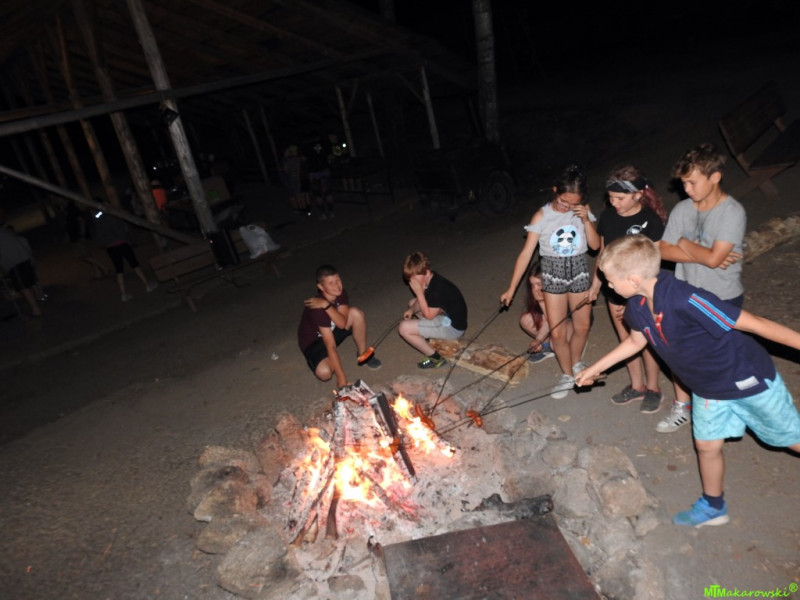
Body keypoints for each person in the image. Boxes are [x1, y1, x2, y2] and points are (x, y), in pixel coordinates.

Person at [575, 235, 800, 528]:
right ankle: (713, 506)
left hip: (747, 380)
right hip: (706, 388)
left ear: (633, 279)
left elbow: (756, 324)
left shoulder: (688, 299)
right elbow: (635, 342)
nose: (608, 285)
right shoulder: (637, 306)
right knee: (705, 446)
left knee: (791, 439)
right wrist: (594, 368)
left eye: (610, 279)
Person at [656, 143, 745, 433]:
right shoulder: (682, 209)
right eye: (683, 183)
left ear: (715, 177)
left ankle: (726, 409)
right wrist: (702, 254)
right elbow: (663, 250)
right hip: (685, 293)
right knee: (678, 353)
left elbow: (716, 259)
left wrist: (684, 243)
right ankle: (682, 406)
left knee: (720, 357)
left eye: (692, 182)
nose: (686, 189)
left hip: (722, 296)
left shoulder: (731, 212)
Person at [500, 164, 599, 398]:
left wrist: (587, 220)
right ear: (555, 190)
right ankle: (566, 375)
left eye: (573, 203)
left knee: (582, 326)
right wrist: (511, 288)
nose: (567, 207)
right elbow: (526, 253)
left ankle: (576, 363)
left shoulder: (582, 211)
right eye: (564, 201)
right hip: (552, 272)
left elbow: (595, 246)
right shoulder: (542, 216)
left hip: (578, 268)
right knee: (556, 333)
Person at [588, 166, 667, 413]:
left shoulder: (651, 221)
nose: (614, 203)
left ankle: (653, 388)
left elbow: (654, 262)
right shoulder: (608, 217)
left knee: (646, 340)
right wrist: (596, 284)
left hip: (641, 292)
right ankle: (637, 385)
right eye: (611, 197)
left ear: (638, 194)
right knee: (626, 338)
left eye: (620, 198)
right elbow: (603, 253)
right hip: (615, 290)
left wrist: (637, 301)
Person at [297, 265, 381, 389]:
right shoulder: (316, 309)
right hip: (314, 343)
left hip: (332, 329)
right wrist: (341, 377)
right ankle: (324, 361)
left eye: (337, 280)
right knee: (325, 373)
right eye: (330, 283)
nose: (337, 285)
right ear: (321, 287)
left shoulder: (340, 293)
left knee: (356, 313)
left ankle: (363, 354)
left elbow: (342, 323)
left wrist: (326, 305)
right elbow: (330, 345)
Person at [399, 251, 468, 369]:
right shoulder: (431, 279)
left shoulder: (437, 289)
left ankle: (436, 358)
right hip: (447, 317)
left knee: (404, 328)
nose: (412, 281)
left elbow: (429, 316)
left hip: (453, 328)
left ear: (426, 272)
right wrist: (411, 310)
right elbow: (422, 302)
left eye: (414, 277)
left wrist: (419, 293)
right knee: (412, 303)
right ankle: (430, 334)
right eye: (410, 278)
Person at [92, 209, 157, 302]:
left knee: (119, 269)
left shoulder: (97, 219)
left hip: (110, 247)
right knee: (134, 264)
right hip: (121, 244)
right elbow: (121, 229)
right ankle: (147, 284)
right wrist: (127, 239)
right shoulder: (112, 215)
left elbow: (98, 235)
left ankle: (123, 293)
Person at [520, 262, 572, 364]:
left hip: (569, 323)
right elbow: (547, 322)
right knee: (525, 320)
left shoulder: (562, 293)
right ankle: (547, 345)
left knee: (556, 342)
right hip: (554, 323)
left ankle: (575, 344)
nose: (535, 289)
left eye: (539, 284)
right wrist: (539, 340)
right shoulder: (538, 293)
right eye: (532, 285)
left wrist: (542, 302)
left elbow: (556, 323)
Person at [0, 224, 42, 317]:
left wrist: (5, 267)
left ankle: (35, 309)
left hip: (15, 262)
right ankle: (35, 304)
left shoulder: (3, 232)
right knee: (27, 284)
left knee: (23, 287)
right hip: (22, 259)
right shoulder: (4, 231)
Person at [303, 132, 334, 220]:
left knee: (318, 194)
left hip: (314, 171)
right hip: (324, 169)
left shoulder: (307, 146)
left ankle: (323, 214)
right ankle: (331, 212)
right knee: (328, 192)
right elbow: (330, 156)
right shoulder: (324, 143)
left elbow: (304, 159)